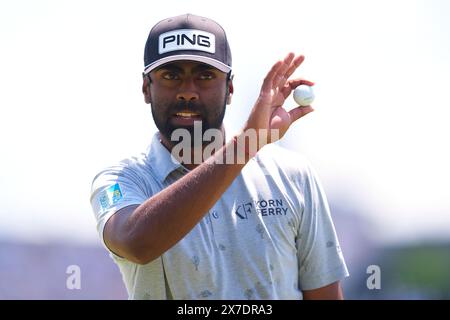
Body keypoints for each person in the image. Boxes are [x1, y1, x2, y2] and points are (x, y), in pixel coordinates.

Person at [90, 13, 349, 300]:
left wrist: (247, 144)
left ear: (230, 89)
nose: (187, 92)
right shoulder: (120, 181)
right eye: (171, 76)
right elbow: (136, 243)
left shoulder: (293, 175)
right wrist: (247, 145)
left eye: (205, 76)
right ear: (145, 88)